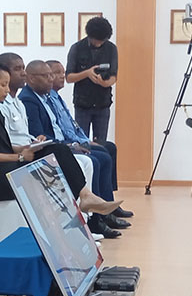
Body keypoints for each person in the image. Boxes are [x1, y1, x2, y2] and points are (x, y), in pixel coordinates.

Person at [0, 60, 121, 217]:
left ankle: (85, 196)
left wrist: (26, 148)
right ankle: (75, 208)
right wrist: (20, 157)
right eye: (3, 85)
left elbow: (3, 145)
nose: (7, 90)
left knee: (58, 149)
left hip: (7, 163)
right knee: (51, 165)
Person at [20, 60, 128, 235]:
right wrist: (72, 145)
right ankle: (95, 218)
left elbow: (68, 124)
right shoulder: (28, 100)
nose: (52, 79)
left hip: (61, 144)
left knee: (105, 151)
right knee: (95, 159)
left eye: (53, 74)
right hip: (50, 148)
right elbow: (39, 135)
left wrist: (81, 141)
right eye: (47, 75)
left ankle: (103, 209)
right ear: (31, 78)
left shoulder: (48, 97)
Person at [47, 59, 132, 222]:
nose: (61, 76)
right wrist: (77, 144)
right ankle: (101, 214)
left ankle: (109, 200)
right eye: (56, 73)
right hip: (64, 145)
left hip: (74, 140)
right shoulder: (45, 100)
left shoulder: (57, 98)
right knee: (100, 157)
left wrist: (85, 140)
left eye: (62, 72)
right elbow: (60, 131)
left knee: (109, 148)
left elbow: (72, 125)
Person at [65, 16, 118, 141]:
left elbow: (114, 76)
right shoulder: (76, 48)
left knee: (101, 143)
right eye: (97, 40)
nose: (99, 43)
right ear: (90, 36)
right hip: (82, 104)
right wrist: (87, 73)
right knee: (82, 142)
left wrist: (104, 83)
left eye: (103, 41)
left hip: (103, 104)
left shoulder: (111, 48)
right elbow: (69, 77)